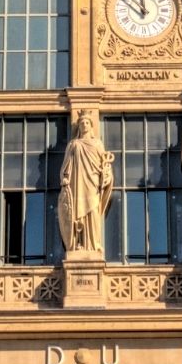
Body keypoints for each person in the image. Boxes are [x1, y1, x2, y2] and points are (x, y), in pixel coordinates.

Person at [59, 109, 115, 255]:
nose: (84, 125)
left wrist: (106, 173)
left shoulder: (97, 144)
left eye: (87, 122)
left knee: (94, 213)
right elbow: (66, 164)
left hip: (93, 182)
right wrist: (65, 177)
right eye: (82, 122)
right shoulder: (74, 144)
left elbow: (104, 164)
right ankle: (79, 243)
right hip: (77, 182)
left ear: (91, 126)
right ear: (79, 126)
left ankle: (93, 244)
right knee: (77, 213)